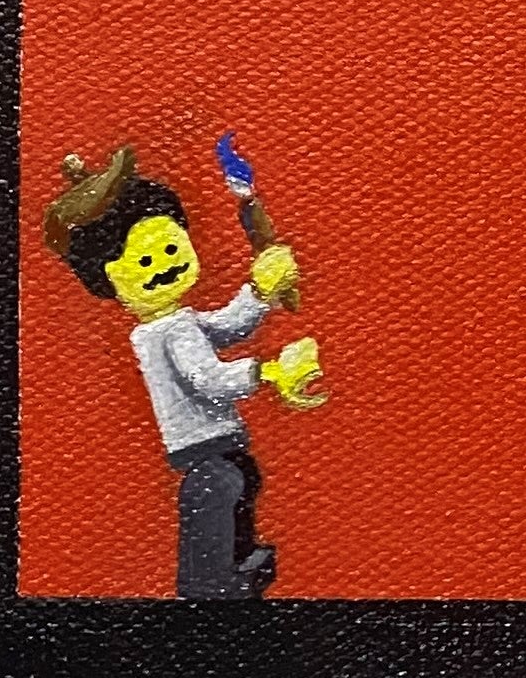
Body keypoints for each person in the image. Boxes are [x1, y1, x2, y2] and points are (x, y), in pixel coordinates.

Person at [44, 146, 323, 598]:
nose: (167, 265)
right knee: (222, 489)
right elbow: (208, 380)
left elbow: (227, 326)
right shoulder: (166, 332)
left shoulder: (177, 323)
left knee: (239, 484)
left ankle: (236, 562)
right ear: (111, 278)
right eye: (145, 262)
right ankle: (212, 582)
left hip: (217, 445)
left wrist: (260, 292)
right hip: (204, 450)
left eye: (172, 247)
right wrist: (268, 372)